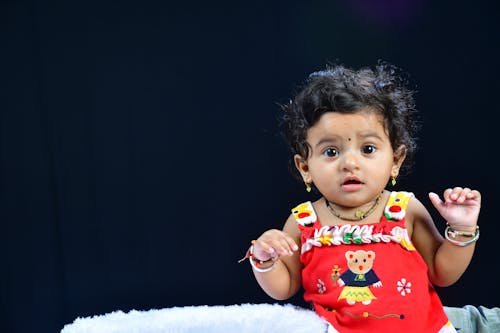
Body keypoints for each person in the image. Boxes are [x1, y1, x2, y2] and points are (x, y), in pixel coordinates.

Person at [241, 62, 482, 333]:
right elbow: (283, 288)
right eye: (331, 152)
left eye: (368, 149)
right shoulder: (304, 222)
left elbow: (443, 272)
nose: (350, 163)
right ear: (305, 167)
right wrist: (265, 259)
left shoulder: (404, 210)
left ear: (396, 160)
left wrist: (462, 228)